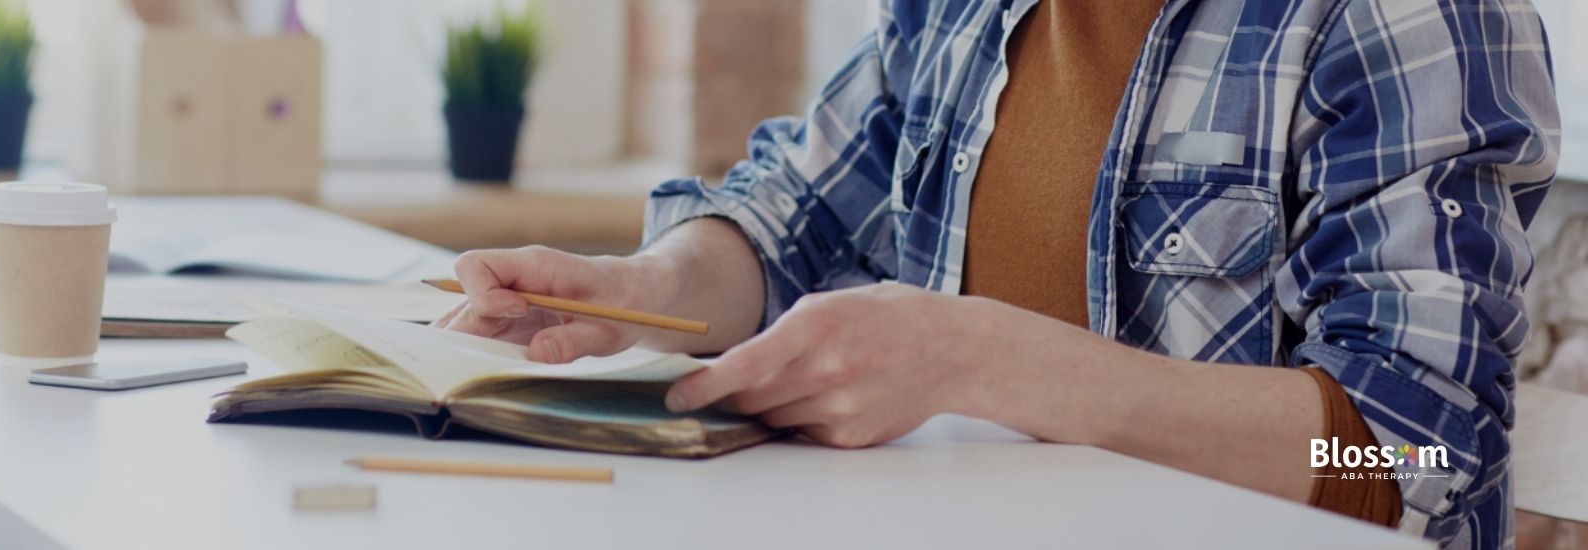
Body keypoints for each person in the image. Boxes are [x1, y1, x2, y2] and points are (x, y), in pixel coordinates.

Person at [434, 0, 1559, 547]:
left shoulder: (1402, 16)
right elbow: (795, 215)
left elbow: (1419, 445)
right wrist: (648, 288)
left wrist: (979, 356)